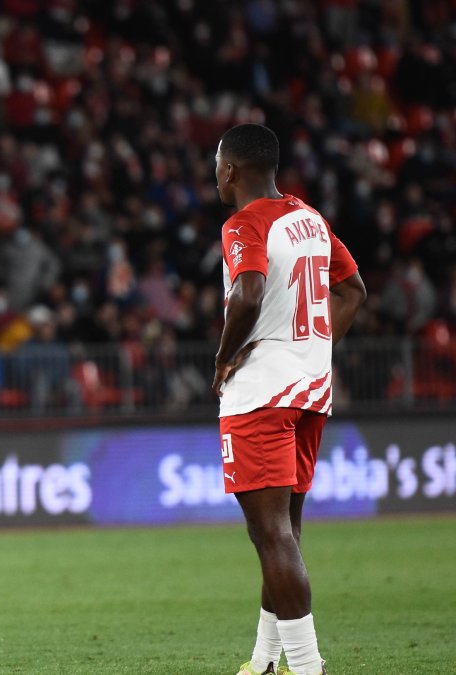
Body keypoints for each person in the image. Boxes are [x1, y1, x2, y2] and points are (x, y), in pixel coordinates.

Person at [211, 124, 366, 675]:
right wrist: (316, 347)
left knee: (271, 535)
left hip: (262, 392)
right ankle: (263, 661)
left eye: (217, 164)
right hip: (309, 389)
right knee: (286, 533)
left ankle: (307, 666)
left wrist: (225, 356)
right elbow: (353, 290)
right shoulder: (309, 218)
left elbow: (248, 293)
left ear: (230, 170)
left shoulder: (243, 224)